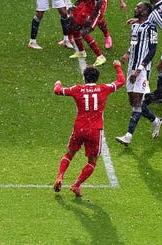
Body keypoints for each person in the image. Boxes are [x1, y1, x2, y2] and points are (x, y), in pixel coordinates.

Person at [53, 60, 125, 197]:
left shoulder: (77, 89)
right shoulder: (104, 88)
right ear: (97, 79)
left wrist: (58, 83)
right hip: (95, 130)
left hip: (79, 128)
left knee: (69, 154)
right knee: (92, 161)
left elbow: (57, 91)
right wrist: (117, 66)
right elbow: (121, 81)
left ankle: (60, 177)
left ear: (84, 78)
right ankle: (76, 185)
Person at [115, 2, 162, 146]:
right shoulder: (135, 26)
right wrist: (127, 54)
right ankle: (155, 120)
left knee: (136, 102)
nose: (135, 9)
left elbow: (152, 50)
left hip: (142, 70)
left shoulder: (151, 28)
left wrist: (139, 69)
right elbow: (134, 43)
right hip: (131, 67)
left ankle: (128, 136)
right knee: (133, 101)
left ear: (146, 11)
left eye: (139, 8)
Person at [68, 0, 107, 67]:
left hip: (94, 10)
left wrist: (91, 18)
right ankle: (81, 52)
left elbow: (99, 1)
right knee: (74, 26)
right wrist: (76, 5)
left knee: (84, 32)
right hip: (86, 6)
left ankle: (100, 57)